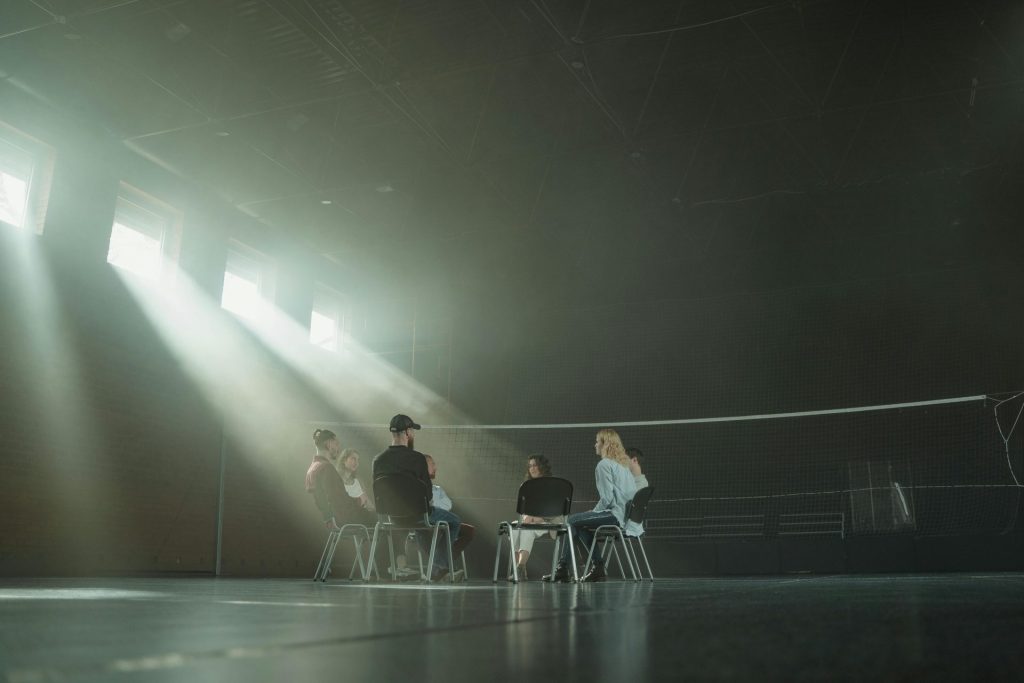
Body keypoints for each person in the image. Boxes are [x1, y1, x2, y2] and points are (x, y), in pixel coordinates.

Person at [372, 414, 462, 581]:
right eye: (412, 430)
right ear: (407, 432)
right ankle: (439, 567)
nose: (413, 434)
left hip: (390, 517)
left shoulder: (378, 460)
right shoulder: (417, 459)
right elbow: (427, 495)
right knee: (454, 522)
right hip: (419, 516)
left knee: (420, 525)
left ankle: (439, 568)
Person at [543, 429, 637, 583]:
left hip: (614, 514)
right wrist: (593, 514)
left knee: (571, 521)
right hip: (625, 517)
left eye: (597, 441)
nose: (594, 445)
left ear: (605, 444)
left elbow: (607, 499)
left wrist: (593, 512)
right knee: (578, 527)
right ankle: (596, 568)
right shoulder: (623, 466)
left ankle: (563, 569)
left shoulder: (604, 465)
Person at [509, 454, 560, 580]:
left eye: (535, 465)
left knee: (527, 531)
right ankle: (518, 570)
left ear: (542, 467)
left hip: (549, 522)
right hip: (530, 521)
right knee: (514, 527)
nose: (532, 468)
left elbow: (555, 511)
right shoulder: (527, 485)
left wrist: (535, 519)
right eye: (530, 466)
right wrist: (527, 517)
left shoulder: (552, 484)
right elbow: (524, 509)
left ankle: (520, 567)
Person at [305, 428, 366, 530]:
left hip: (332, 522)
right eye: (336, 444)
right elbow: (339, 501)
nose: (338, 448)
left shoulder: (312, 469)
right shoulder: (326, 468)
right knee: (385, 523)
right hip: (345, 520)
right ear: (329, 444)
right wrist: (359, 501)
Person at [425, 455, 474, 559]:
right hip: (426, 524)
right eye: (432, 464)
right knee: (453, 523)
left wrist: (434, 505)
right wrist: (433, 507)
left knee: (469, 530)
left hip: (440, 522)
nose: (435, 467)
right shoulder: (419, 486)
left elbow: (448, 505)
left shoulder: (437, 489)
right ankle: (440, 566)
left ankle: (443, 566)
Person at [328, 448, 375, 526]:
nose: (356, 463)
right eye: (353, 459)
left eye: (357, 460)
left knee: (380, 520)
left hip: (359, 517)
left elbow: (368, 503)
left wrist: (378, 513)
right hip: (344, 518)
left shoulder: (358, 481)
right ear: (344, 460)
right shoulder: (336, 480)